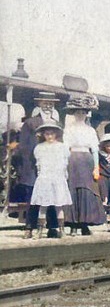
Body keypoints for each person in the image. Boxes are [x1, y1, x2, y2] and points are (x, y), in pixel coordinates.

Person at [12, 91, 60, 238]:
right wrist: (26, 168)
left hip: (51, 167)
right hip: (32, 167)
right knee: (33, 198)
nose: (48, 107)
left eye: (50, 104)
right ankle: (29, 227)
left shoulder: (57, 125)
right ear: (39, 104)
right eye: (45, 103)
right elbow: (23, 147)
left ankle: (52, 228)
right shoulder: (30, 123)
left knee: (51, 197)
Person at [62, 94, 106, 235]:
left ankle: (84, 224)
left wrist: (96, 168)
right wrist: (64, 165)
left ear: (87, 114)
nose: (80, 115)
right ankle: (73, 224)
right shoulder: (68, 129)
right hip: (73, 160)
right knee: (73, 190)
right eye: (77, 112)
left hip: (87, 160)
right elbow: (65, 148)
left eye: (83, 112)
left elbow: (95, 150)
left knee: (87, 190)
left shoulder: (90, 130)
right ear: (73, 114)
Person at [29, 120, 71, 239]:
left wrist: (63, 176)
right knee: (43, 205)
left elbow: (64, 164)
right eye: (47, 134)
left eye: (52, 133)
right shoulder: (39, 148)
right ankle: (39, 231)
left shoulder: (62, 147)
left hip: (57, 177)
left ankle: (62, 230)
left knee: (59, 205)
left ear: (56, 134)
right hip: (45, 178)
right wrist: (41, 175)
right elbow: (39, 165)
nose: (50, 136)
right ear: (43, 135)